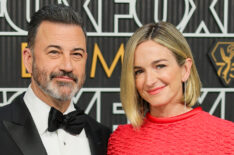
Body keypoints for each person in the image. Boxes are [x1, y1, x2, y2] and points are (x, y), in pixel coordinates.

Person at [107, 22, 234, 154]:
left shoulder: (227, 137)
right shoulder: (121, 140)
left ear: (185, 69)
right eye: (139, 71)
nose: (149, 81)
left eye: (160, 66)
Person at [0, 4, 111, 155]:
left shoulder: (104, 138)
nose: (67, 66)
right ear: (28, 59)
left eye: (76, 54)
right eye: (54, 52)